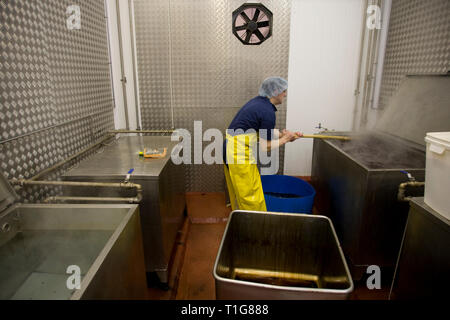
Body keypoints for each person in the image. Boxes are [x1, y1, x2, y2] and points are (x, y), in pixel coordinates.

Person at [223, 77, 303, 211]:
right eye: (284, 91)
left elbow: (264, 131)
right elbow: (265, 147)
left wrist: (285, 135)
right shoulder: (267, 112)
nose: (285, 94)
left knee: (241, 190)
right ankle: (252, 226)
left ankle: (241, 218)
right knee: (250, 194)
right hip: (238, 153)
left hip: (231, 147)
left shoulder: (259, 103)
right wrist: (285, 140)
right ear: (276, 92)